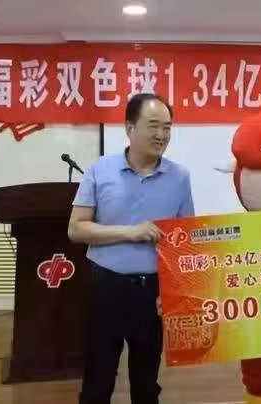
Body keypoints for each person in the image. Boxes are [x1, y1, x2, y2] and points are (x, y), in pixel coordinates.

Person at [68, 93, 195, 404]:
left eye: (167, 127)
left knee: (146, 380)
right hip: (105, 287)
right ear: (129, 127)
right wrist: (130, 231)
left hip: (151, 292)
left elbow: (184, 241)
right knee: (98, 377)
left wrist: (174, 292)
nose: (161, 135)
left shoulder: (179, 177)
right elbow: (76, 229)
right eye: (153, 126)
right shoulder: (100, 170)